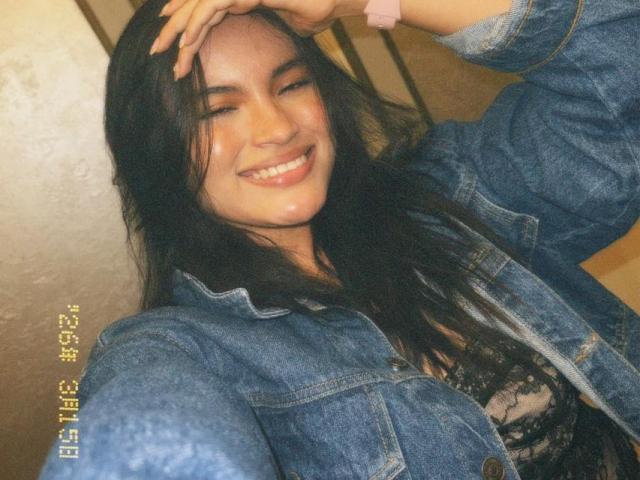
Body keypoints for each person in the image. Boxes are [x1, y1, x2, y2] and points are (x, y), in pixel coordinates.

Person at [39, 0, 639, 478]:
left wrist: (367, 1)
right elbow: (144, 443)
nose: (277, 128)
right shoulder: (181, 350)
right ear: (155, 152)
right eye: (215, 111)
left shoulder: (448, 199)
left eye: (291, 85)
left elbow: (618, 73)